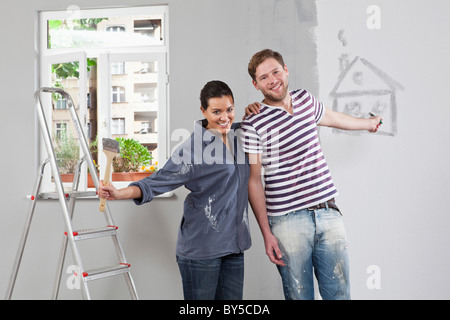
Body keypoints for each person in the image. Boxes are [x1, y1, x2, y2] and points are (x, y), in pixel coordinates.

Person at [239, 49, 382, 300]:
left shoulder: (305, 99)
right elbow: (254, 180)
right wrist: (266, 234)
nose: (272, 80)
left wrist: (367, 123)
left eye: (275, 71)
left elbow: (333, 117)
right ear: (256, 84)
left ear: (286, 70)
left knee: (339, 295)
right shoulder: (253, 123)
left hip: (328, 214)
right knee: (299, 296)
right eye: (264, 77)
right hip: (287, 222)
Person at [98, 80, 251, 300]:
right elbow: (157, 182)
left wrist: (257, 108)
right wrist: (120, 192)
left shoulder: (240, 136)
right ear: (203, 111)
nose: (225, 117)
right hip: (202, 249)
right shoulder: (192, 150)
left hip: (235, 245)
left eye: (229, 110)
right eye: (216, 111)